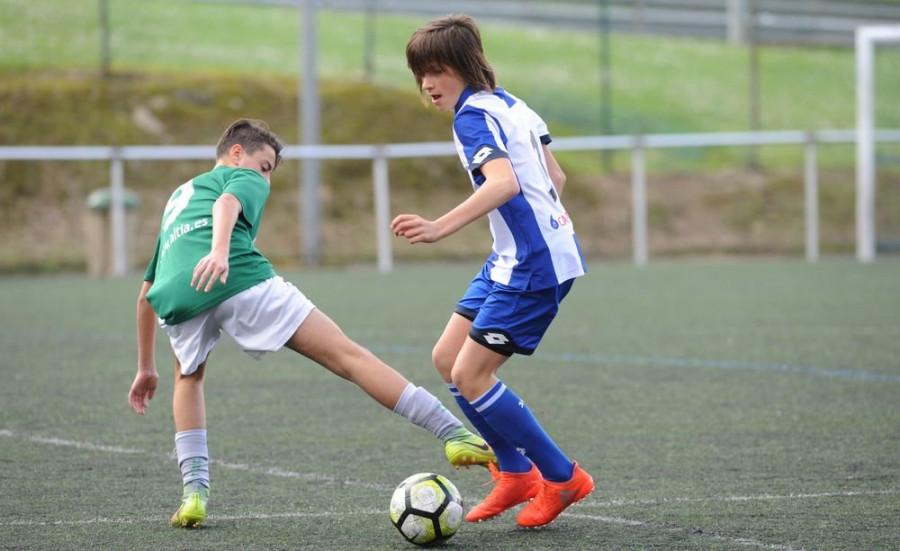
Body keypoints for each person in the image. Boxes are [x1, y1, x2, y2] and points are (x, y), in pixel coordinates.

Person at [128, 118, 496, 529]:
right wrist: (219, 252)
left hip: (177, 296)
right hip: (235, 277)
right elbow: (227, 204)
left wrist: (145, 367)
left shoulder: (178, 197)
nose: (267, 178)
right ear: (236, 153)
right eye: (265, 165)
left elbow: (146, 292)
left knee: (188, 379)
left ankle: (194, 493)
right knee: (348, 357)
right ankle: (453, 433)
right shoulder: (242, 177)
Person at [392, 15, 595, 528]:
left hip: (534, 263)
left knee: (470, 373)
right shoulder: (512, 103)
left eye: (436, 70)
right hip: (517, 256)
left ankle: (562, 476)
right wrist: (541, 227)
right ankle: (514, 472)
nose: (427, 84)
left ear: (463, 66)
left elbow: (504, 184)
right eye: (420, 73)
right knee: (446, 359)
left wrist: (440, 226)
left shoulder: (471, 117)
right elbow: (555, 175)